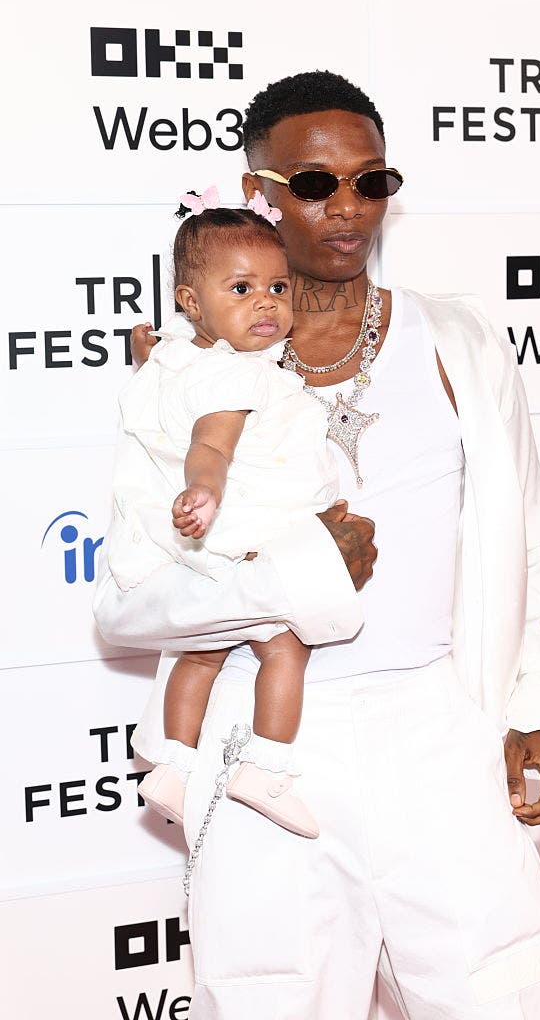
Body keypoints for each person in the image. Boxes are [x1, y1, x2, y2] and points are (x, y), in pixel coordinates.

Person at [94, 71, 540, 1019]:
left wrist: (538, 703)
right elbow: (127, 606)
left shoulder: (458, 338)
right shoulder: (180, 381)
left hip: (438, 731)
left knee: (510, 997)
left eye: (372, 180)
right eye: (315, 185)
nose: (348, 206)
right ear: (258, 193)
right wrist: (303, 575)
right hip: (263, 751)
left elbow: (526, 536)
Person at [105, 192, 352, 839]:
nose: (265, 303)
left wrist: (145, 352)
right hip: (245, 534)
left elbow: (171, 383)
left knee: (200, 651)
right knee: (286, 648)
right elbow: (210, 445)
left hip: (206, 551)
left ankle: (172, 766)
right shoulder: (238, 376)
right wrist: (204, 490)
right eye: (241, 289)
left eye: (278, 287)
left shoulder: (188, 357)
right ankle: (265, 768)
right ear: (191, 301)